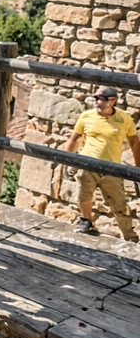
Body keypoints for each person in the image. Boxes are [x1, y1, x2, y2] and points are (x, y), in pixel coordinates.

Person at [62, 87, 139, 240]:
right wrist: (66, 160)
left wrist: (138, 167)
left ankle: (130, 236)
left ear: (113, 101)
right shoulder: (87, 116)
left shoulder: (124, 119)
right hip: (87, 163)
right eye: (96, 98)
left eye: (101, 99)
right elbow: (74, 138)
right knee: (83, 195)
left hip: (111, 168)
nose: (98, 102)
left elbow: (134, 142)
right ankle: (86, 221)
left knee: (119, 203)